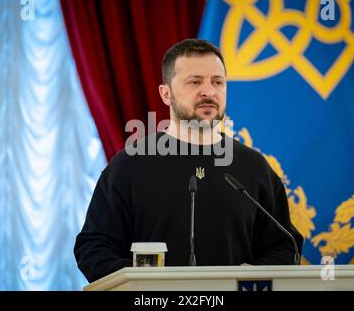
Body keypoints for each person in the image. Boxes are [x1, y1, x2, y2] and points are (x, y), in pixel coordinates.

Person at [74, 39, 303, 283]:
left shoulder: (254, 167)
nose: (209, 91)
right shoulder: (129, 166)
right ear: (165, 94)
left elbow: (286, 246)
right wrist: (141, 284)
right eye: (195, 82)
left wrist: (254, 275)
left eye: (217, 82)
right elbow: (93, 248)